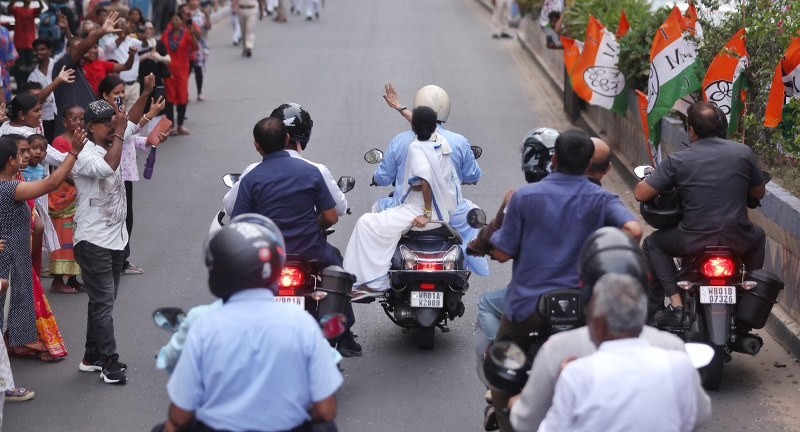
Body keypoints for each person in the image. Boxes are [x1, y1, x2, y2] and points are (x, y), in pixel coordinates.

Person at [486, 129, 643, 431]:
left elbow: (503, 254)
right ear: (588, 164)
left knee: (502, 364)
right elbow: (635, 231)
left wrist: (494, 237)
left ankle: (506, 422)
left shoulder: (525, 198)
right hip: (584, 307)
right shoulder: (602, 198)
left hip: (527, 308)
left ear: (553, 159)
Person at [508, 227, 710, 431]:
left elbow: (529, 423)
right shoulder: (674, 352)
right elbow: (697, 416)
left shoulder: (566, 362)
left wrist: (516, 404)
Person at [158, 214, 342, 432]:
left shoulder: (203, 325)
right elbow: (325, 410)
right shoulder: (301, 323)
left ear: (217, 272)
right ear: (275, 268)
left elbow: (180, 416)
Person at [230, 117, 362, 356]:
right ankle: (344, 336)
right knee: (337, 272)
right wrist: (312, 225)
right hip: (310, 251)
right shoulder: (310, 172)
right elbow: (331, 217)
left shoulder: (250, 179)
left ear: (257, 146)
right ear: (288, 139)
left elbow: (240, 224)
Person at [634, 101, 768, 327]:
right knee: (760, 236)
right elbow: (759, 192)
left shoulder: (678, 160)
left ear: (691, 130)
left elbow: (640, 193)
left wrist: (656, 177)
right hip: (739, 237)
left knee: (653, 244)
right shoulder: (743, 153)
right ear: (720, 127)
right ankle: (748, 297)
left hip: (692, 239)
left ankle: (676, 305)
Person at [535, 274, 710, 432]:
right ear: (642, 317)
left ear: (597, 324)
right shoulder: (679, 364)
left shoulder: (575, 374)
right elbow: (696, 418)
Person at [0, 128, 86, 395]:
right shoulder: (9, 189)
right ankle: (7, 387)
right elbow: (50, 184)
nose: (24, 158)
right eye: (20, 154)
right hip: (7, 267)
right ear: (11, 161)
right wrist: (73, 153)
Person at [345, 106, 459, 300]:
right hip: (445, 213)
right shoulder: (440, 142)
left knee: (366, 222)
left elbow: (425, 181)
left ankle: (374, 282)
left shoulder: (415, 147)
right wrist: (399, 108)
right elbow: (421, 124)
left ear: (413, 127)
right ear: (434, 127)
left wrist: (426, 214)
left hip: (420, 212)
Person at [379, 83, 488, 276]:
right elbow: (473, 174)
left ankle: (378, 273)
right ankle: (465, 268)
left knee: (375, 218)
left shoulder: (403, 142)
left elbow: (385, 177)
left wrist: (399, 107)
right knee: (473, 220)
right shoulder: (455, 142)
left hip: (413, 212)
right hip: (449, 212)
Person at [72, 99, 129, 385]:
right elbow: (109, 168)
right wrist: (119, 131)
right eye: (106, 122)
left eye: (113, 120)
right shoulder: (84, 154)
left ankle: (91, 357)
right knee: (104, 303)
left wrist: (143, 93)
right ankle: (109, 362)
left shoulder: (112, 142)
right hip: (93, 241)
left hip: (116, 240)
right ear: (91, 128)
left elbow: (135, 121)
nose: (112, 125)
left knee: (102, 302)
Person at [96, 74, 167, 275]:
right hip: (110, 174)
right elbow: (126, 131)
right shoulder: (104, 119)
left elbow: (130, 138)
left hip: (126, 174)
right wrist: (149, 112)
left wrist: (149, 140)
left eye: (122, 91)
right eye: (115, 93)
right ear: (104, 95)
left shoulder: (121, 113)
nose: (120, 95)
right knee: (113, 218)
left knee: (127, 218)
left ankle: (121, 259)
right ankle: (113, 261)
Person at [52, 10, 125, 136]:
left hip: (86, 133)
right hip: (68, 135)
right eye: (82, 49)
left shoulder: (82, 68)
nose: (85, 52)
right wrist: (100, 33)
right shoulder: (63, 67)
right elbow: (76, 49)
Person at [48, 106, 86, 294]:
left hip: (78, 194)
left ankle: (72, 278)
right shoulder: (60, 141)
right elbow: (64, 170)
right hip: (64, 195)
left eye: (81, 119)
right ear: (65, 122)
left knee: (76, 236)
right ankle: (57, 280)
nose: (78, 122)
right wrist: (83, 182)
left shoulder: (86, 140)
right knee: (62, 238)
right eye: (74, 119)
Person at [162, 9, 199, 135]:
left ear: (181, 21)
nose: (175, 21)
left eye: (177, 19)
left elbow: (196, 48)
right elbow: (161, 49)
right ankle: (171, 126)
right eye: (173, 19)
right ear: (171, 22)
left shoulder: (187, 33)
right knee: (170, 98)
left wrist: (193, 34)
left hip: (182, 70)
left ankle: (181, 125)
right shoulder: (166, 35)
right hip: (169, 71)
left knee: (182, 96)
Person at [8, 0, 41, 86]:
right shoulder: (17, 10)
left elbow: (41, 8)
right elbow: (9, 8)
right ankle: (20, 87)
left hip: (30, 44)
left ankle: (28, 86)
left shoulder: (33, 10)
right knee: (19, 69)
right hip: (19, 44)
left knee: (29, 69)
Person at [187, 0, 211, 97]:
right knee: (187, 70)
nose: (194, 2)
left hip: (199, 46)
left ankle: (199, 92)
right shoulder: (184, 14)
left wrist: (207, 16)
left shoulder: (201, 14)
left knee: (198, 69)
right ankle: (185, 93)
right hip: (186, 45)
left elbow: (208, 27)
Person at [0, 24, 18, 104]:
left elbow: (11, 52)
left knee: (4, 102)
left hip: (3, 68)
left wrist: (8, 63)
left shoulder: (4, 30)